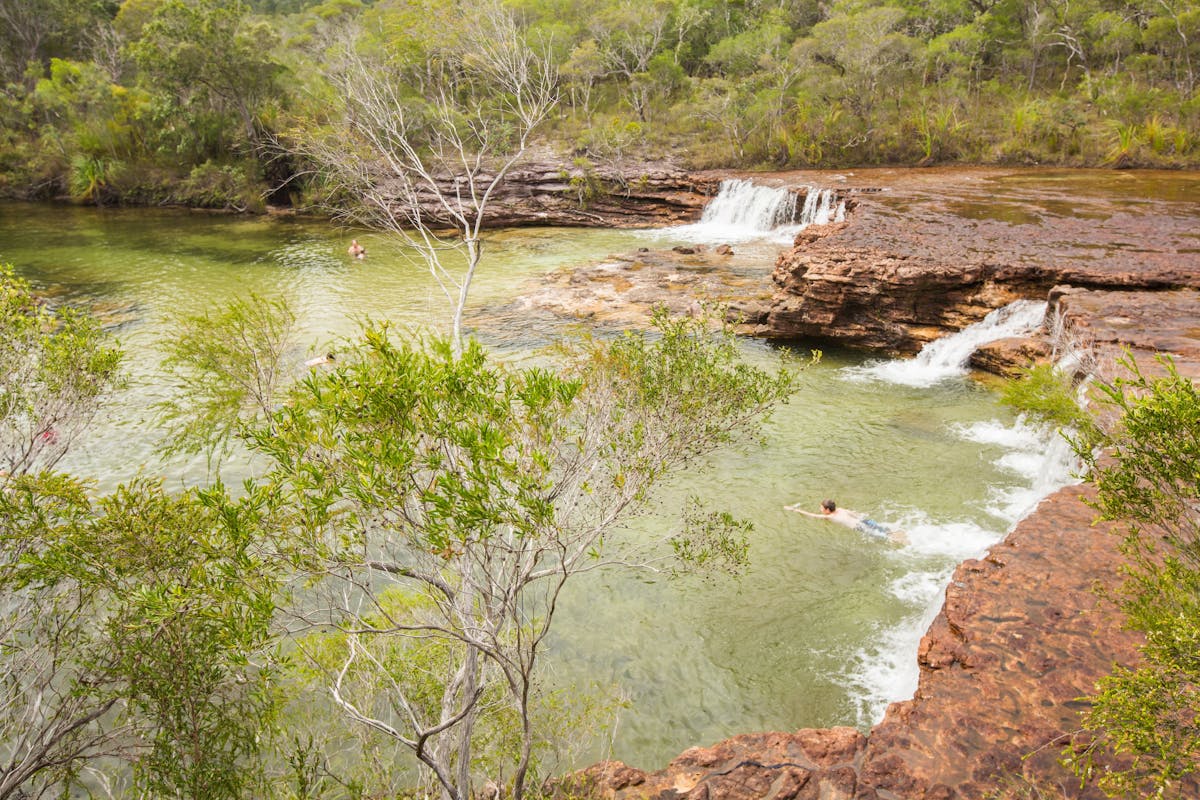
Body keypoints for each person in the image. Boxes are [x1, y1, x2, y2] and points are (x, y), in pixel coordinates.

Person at [784, 498, 908, 544]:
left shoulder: (829, 517)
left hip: (858, 527)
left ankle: (897, 540)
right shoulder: (841, 509)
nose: (819, 509)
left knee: (880, 536)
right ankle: (897, 532)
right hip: (864, 520)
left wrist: (795, 510)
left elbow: (811, 515)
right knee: (881, 529)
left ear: (827, 510)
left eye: (821, 507)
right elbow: (855, 513)